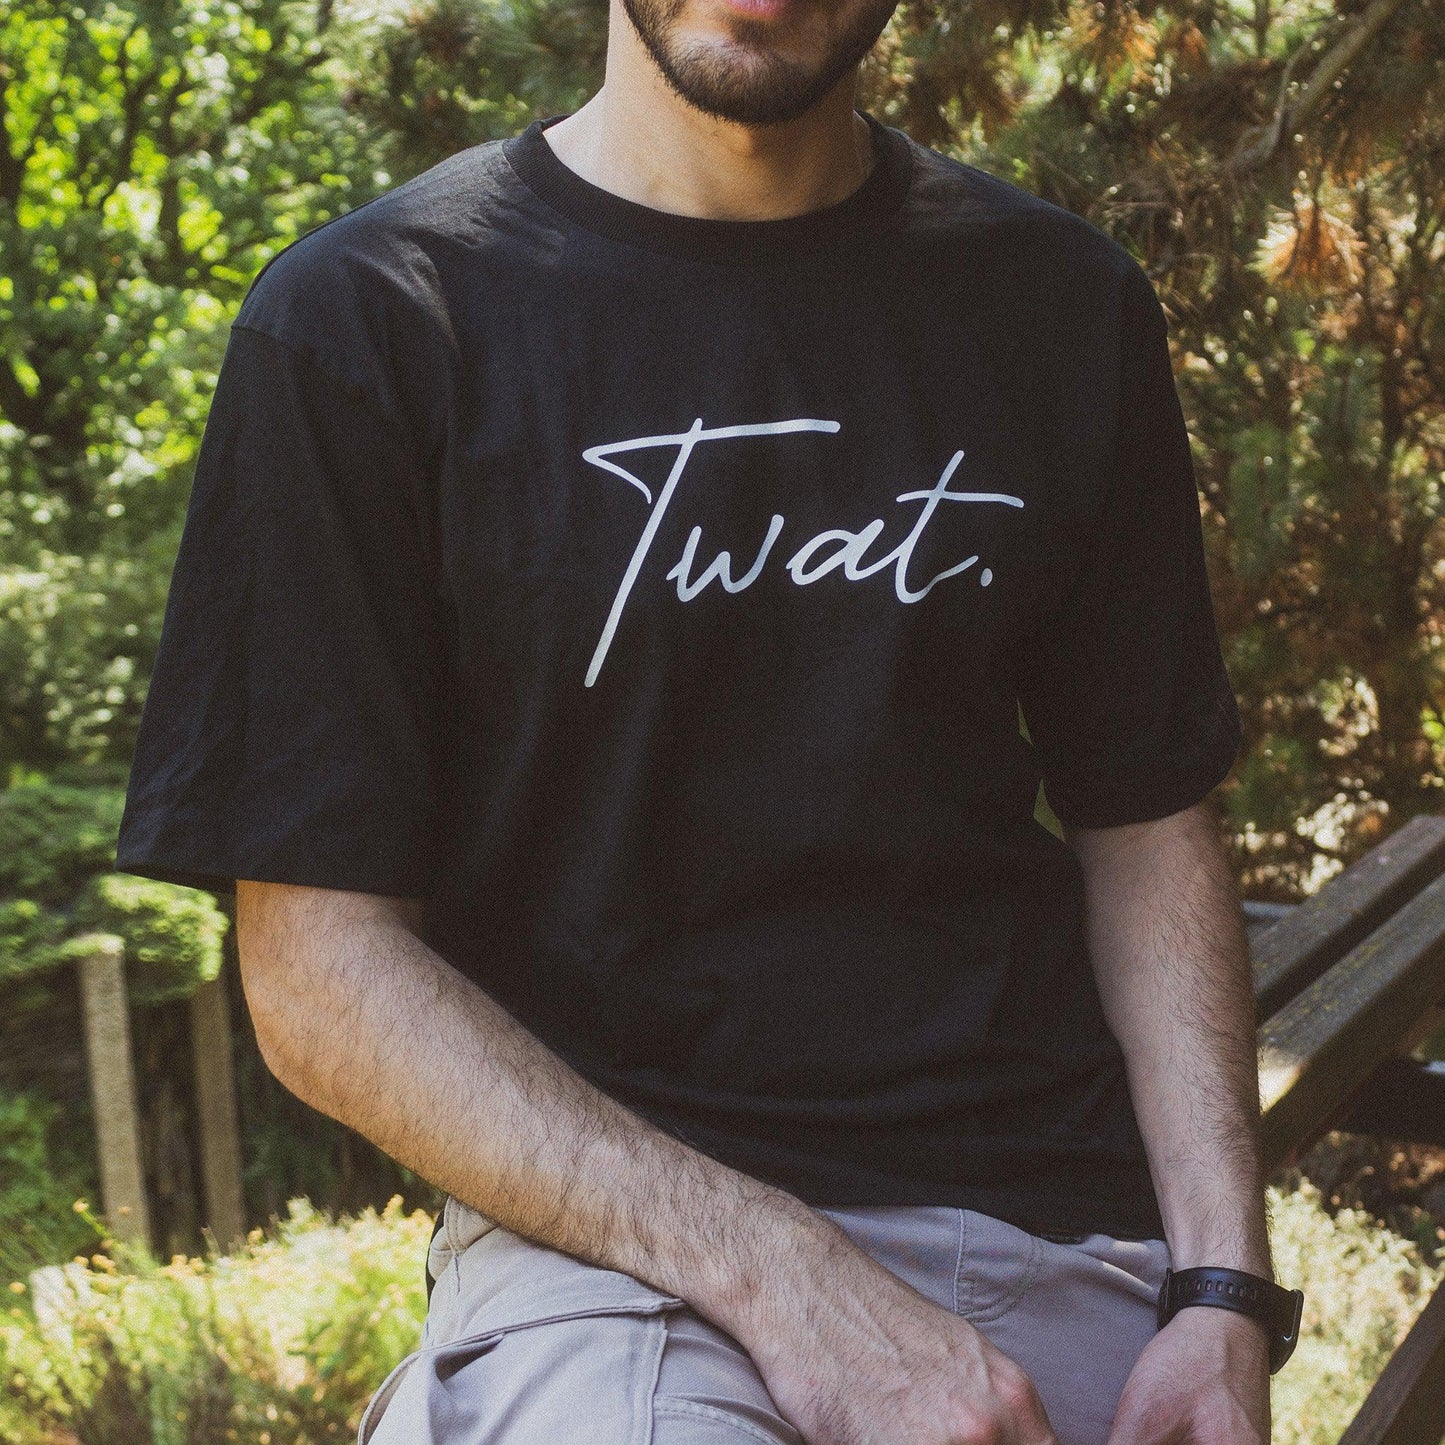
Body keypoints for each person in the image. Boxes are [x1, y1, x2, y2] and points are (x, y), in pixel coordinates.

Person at [112, 0, 1295, 1437]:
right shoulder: (370, 321)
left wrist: (1224, 1295)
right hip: (610, 1257)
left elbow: (1146, 821)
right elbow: (315, 969)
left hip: (1046, 1225)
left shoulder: (1055, 302)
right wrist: (793, 1276)